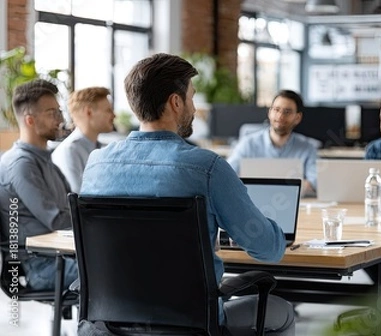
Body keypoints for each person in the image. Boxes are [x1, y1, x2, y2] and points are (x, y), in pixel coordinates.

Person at [80, 53, 294, 335]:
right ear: (175, 102)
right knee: (284, 312)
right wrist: (277, 232)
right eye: (191, 97)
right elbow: (268, 249)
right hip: (191, 323)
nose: (194, 107)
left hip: (108, 324)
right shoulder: (208, 168)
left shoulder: (96, 164)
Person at [0, 79, 78, 291]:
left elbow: (73, 206)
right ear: (30, 120)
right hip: (42, 266)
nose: (60, 119)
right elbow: (57, 220)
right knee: (118, 270)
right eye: (52, 112)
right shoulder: (21, 165)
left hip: (62, 256)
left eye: (59, 111)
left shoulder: (44, 159)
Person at [227, 90, 317, 196]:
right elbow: (227, 175)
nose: (280, 116)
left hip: (290, 205)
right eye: (276, 110)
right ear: (270, 112)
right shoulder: (248, 143)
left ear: (297, 118)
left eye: (287, 112)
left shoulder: (308, 148)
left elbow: (314, 182)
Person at [52, 87, 115, 193]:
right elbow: (78, 199)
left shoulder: (103, 149)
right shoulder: (69, 151)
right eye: (108, 110)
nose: (114, 115)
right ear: (89, 112)